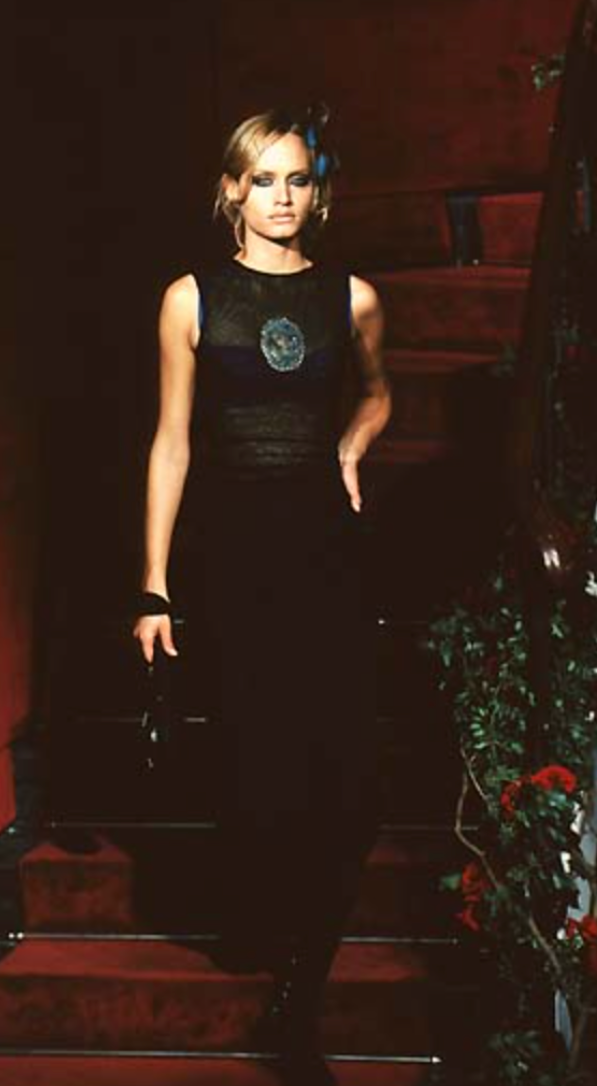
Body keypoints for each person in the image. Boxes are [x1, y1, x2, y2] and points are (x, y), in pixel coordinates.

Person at [132, 104, 391, 1086]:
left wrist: (352, 442)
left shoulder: (352, 297)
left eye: (299, 179)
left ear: (316, 193)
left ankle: (297, 997)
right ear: (232, 191)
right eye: (264, 180)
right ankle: (271, 935)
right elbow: (171, 442)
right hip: (233, 559)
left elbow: (379, 391)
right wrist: (152, 585)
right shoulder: (190, 299)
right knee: (260, 771)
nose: (283, 197)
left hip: (327, 552)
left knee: (348, 779)